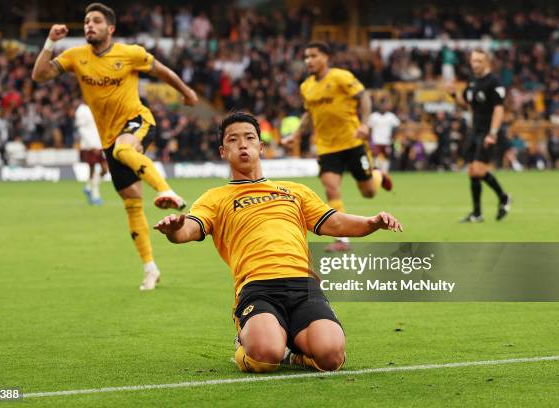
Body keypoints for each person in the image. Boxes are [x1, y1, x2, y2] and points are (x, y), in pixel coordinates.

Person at [154, 112, 402, 373]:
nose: (242, 145)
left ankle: (294, 354)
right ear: (222, 151)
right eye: (233, 140)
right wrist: (176, 229)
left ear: (261, 147)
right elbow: (189, 230)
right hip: (258, 287)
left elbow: (336, 222)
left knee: (331, 357)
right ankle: (250, 341)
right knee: (265, 357)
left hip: (303, 285)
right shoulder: (215, 198)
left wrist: (372, 222)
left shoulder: (294, 191)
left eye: (249, 138)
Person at [31, 2, 198, 290]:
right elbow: (40, 76)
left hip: (138, 120)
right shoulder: (75, 56)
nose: (89, 26)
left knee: (125, 149)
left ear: (110, 28)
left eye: (95, 21)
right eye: (86, 22)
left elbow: (161, 71)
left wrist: (186, 92)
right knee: (132, 205)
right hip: (107, 137)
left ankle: (166, 191)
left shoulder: (129, 53)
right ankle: (150, 268)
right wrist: (50, 42)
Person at [282, 42, 392, 252]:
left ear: (326, 57)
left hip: (352, 142)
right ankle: (342, 240)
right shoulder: (306, 87)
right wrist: (295, 135)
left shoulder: (341, 77)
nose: (308, 61)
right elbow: (309, 114)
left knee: (368, 192)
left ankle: (377, 176)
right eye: (306, 56)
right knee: (331, 188)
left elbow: (365, 98)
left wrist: (365, 125)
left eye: (313, 56)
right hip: (327, 147)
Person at [447, 48, 511, 222]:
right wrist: (454, 95)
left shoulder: (494, 82)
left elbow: (499, 109)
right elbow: (465, 105)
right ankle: (481, 211)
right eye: (473, 61)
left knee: (477, 169)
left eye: (479, 61)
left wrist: (493, 133)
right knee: (473, 172)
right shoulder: (473, 80)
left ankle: (497, 201)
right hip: (474, 131)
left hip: (487, 132)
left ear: (487, 62)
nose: (475, 64)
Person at [75, 101, 107, 205]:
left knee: (100, 170)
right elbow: (81, 129)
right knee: (100, 168)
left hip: (99, 144)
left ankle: (89, 187)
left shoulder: (96, 106)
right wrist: (91, 145)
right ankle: (95, 193)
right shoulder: (82, 110)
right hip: (90, 146)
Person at [369, 99, 400, 173]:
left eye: (385, 105)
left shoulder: (390, 116)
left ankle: (385, 172)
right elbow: (369, 128)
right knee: (375, 157)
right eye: (382, 105)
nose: (383, 107)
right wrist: (370, 139)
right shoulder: (373, 116)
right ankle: (376, 172)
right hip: (376, 140)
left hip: (386, 141)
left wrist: (393, 135)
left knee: (386, 157)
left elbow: (397, 126)